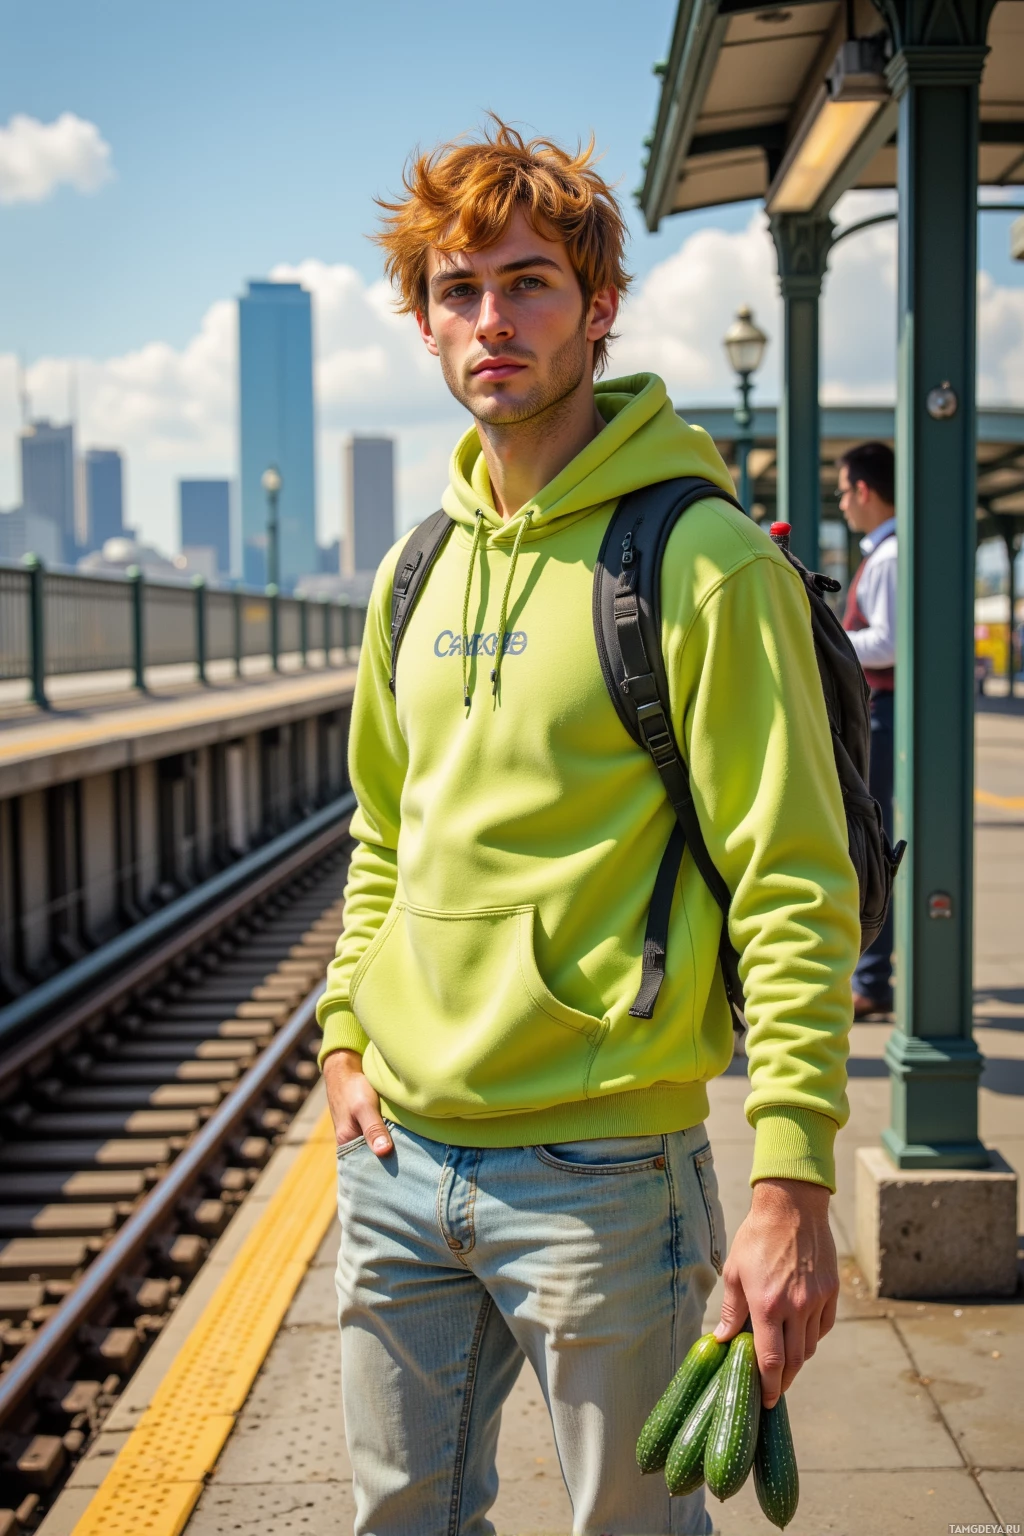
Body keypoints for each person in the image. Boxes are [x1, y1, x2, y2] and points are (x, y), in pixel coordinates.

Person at [318, 119, 860, 1536]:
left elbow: (795, 881)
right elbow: (387, 832)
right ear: (424, 322)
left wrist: (793, 1178)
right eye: (457, 290)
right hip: (396, 1164)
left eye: (529, 282)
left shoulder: (701, 563)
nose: (490, 319)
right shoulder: (412, 570)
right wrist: (341, 1034)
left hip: (606, 1178)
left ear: (599, 307)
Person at [837, 442, 897, 1018]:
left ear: (864, 490)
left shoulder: (888, 557)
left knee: (871, 836)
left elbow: (890, 641)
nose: (841, 502)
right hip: (878, 706)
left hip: (882, 708)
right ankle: (871, 974)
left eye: (843, 490)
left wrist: (829, 643)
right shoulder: (884, 554)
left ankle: (873, 977)